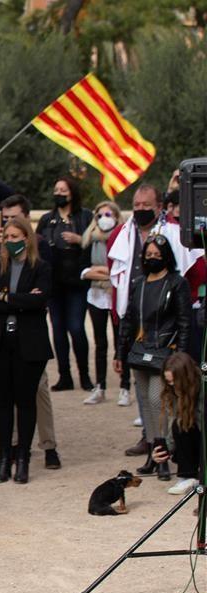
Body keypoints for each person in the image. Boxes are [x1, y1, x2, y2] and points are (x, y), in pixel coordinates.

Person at [107, 183, 204, 457]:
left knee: (163, 393)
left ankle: (171, 444)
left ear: (159, 206)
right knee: (143, 390)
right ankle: (149, 440)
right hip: (138, 322)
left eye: (146, 205)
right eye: (136, 205)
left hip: (169, 325)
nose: (140, 210)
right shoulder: (122, 234)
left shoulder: (177, 233)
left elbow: (194, 273)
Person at [0, 217, 53, 483]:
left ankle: (23, 458)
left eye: (14, 237)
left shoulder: (41, 266)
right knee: (3, 402)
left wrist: (3, 297)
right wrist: (19, 301)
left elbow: (40, 300)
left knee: (26, 401)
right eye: (6, 237)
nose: (9, 241)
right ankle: (4, 457)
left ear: (27, 238)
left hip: (29, 344)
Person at [116, 234, 193, 482]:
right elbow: (128, 319)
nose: (152, 259)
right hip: (139, 351)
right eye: (148, 255)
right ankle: (152, 452)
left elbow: (184, 321)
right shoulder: (138, 283)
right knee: (145, 404)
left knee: (157, 401)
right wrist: (120, 351)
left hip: (165, 353)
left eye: (157, 255)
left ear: (166, 257)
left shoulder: (176, 283)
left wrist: (179, 355)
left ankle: (163, 454)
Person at [36, 175, 93, 391]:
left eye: (64, 190)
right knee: (58, 330)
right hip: (54, 282)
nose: (59, 193)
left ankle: (85, 375)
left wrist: (80, 240)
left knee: (77, 328)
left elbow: (95, 243)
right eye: (56, 190)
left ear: (72, 193)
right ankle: (64, 376)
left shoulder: (85, 216)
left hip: (77, 281)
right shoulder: (46, 219)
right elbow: (38, 245)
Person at [80, 200, 124, 405]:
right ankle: (100, 387)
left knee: (120, 342)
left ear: (116, 217)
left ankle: (125, 387)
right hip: (96, 296)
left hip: (117, 295)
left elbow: (119, 269)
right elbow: (84, 271)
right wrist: (100, 272)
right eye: (99, 215)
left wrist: (98, 271)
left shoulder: (123, 239)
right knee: (100, 343)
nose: (103, 219)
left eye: (108, 215)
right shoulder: (89, 240)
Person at [156, 352, 201, 495]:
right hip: (195, 431)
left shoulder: (202, 387)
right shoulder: (176, 390)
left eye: (175, 381)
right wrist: (165, 450)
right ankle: (187, 475)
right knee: (180, 424)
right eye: (168, 381)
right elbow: (175, 420)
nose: (172, 385)